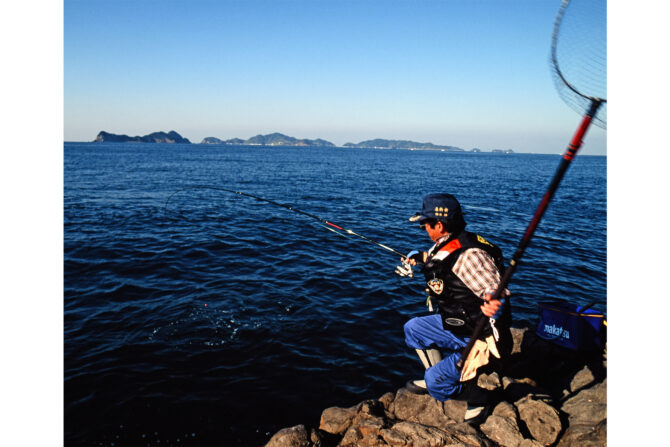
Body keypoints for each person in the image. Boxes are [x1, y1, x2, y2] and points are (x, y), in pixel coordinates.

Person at [396, 193, 512, 422]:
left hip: (483, 338)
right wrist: (419, 257)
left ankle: (479, 397)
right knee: (413, 328)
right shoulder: (451, 242)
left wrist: (494, 304)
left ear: (439, 225)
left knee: (436, 385)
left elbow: (498, 292)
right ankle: (442, 375)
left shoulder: (470, 256)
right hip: (460, 325)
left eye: (425, 225)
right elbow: (441, 257)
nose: (423, 228)